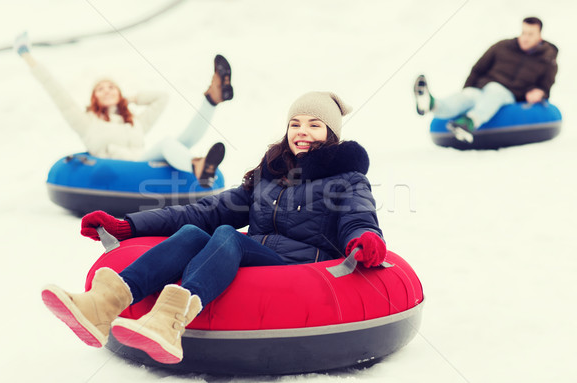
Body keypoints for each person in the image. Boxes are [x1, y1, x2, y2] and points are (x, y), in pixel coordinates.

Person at [41, 91, 388, 364]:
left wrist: (365, 238)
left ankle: (170, 321)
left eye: (314, 124)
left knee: (226, 237)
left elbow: (359, 218)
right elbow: (209, 209)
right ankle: (102, 304)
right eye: (295, 123)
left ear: (331, 133)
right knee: (196, 232)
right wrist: (128, 225)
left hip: (302, 268)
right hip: (259, 255)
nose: (302, 131)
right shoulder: (271, 174)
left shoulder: (347, 179)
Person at [14, 31, 232, 187]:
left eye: (112, 87)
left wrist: (131, 99)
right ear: (94, 97)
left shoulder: (133, 122)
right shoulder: (85, 121)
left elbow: (161, 99)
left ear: (119, 94)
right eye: (100, 89)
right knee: (167, 143)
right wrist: (26, 55)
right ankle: (197, 166)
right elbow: (55, 89)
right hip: (123, 169)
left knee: (181, 142)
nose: (107, 90)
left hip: (145, 161)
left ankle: (211, 100)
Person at [413, 17, 558, 143]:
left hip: (509, 95)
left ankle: (469, 123)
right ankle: (432, 104)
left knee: (496, 91)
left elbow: (546, 86)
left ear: (539, 36)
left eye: (530, 34)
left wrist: (540, 93)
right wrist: (468, 88)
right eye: (523, 32)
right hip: (482, 89)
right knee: (467, 97)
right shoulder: (502, 46)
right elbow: (478, 69)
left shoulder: (547, 60)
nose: (525, 38)